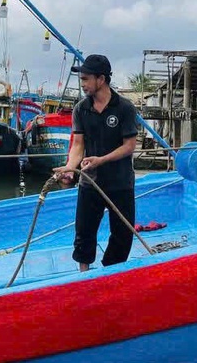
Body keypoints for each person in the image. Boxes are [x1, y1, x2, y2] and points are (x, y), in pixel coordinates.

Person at [54, 54, 138, 272]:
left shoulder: (124, 108)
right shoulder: (81, 109)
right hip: (90, 182)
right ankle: (84, 275)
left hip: (120, 182)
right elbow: (78, 145)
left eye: (85, 79)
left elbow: (129, 146)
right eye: (81, 79)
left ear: (101, 79)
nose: (82, 84)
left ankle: (110, 272)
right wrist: (71, 168)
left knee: (122, 233)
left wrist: (101, 160)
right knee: (84, 231)